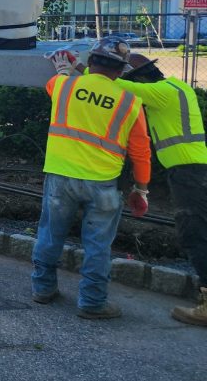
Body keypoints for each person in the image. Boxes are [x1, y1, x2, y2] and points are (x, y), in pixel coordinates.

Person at [34, 37, 151, 319]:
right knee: (98, 245)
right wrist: (141, 189)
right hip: (103, 183)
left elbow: (58, 84)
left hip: (60, 176)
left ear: (92, 61)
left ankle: (43, 289)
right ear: (120, 71)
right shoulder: (130, 102)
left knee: (50, 235)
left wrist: (65, 69)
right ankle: (92, 303)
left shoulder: (62, 85)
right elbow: (141, 152)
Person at [114, 53, 207, 326]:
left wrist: (77, 68)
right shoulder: (178, 86)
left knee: (194, 233)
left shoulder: (160, 93)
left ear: (142, 79)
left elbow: (113, 85)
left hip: (188, 173)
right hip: (196, 169)